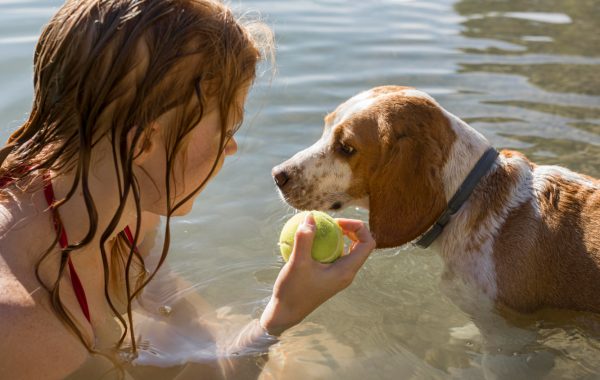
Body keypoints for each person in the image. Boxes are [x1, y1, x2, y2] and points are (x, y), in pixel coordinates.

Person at [0, 1, 376, 379]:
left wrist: (255, 333)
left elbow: (177, 313)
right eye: (226, 131)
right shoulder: (27, 330)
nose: (231, 149)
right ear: (142, 145)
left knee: (312, 355)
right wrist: (280, 317)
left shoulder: (125, 203)